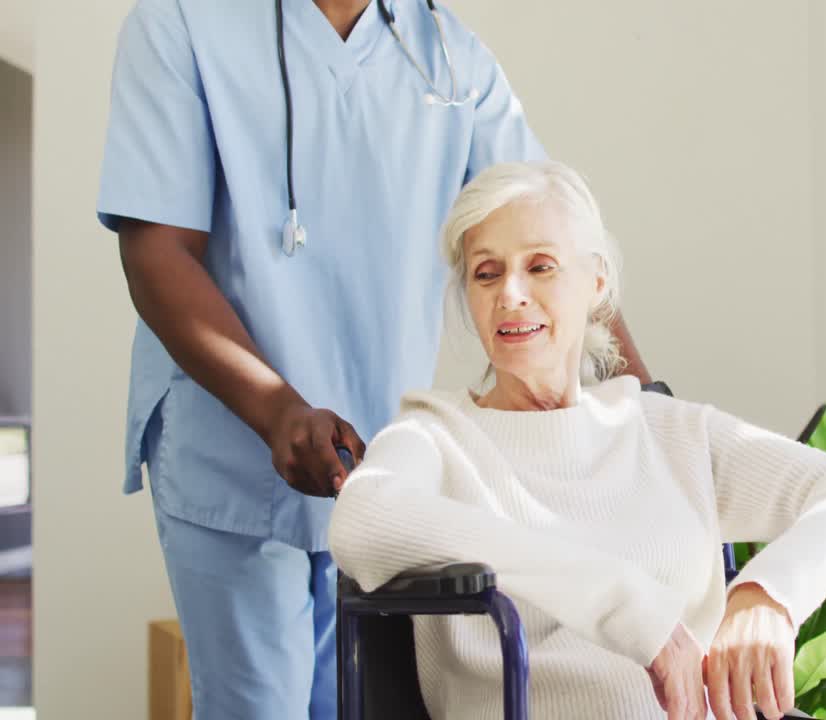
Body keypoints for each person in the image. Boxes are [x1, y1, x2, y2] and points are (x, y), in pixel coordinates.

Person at [97, 1, 651, 717]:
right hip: (231, 445)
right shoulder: (181, 23)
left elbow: (555, 238)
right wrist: (277, 410)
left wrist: (639, 397)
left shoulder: (450, 56)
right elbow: (156, 252)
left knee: (365, 702)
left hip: (375, 467)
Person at [329, 161, 826, 720]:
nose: (510, 293)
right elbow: (361, 520)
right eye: (487, 273)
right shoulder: (436, 436)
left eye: (541, 266)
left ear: (597, 282)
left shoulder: (666, 429)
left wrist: (769, 593)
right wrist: (623, 604)